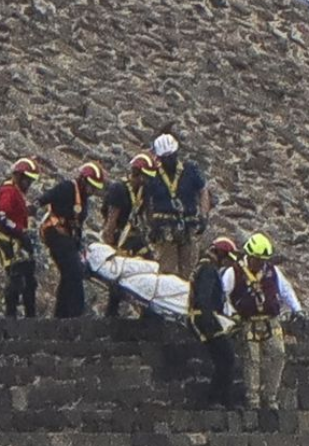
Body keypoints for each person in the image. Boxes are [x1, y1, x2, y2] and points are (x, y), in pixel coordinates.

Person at [222, 232, 303, 411]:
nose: (260, 263)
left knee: (278, 354)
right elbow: (224, 294)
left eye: (263, 260)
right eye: (257, 259)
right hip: (247, 321)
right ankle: (253, 399)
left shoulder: (272, 272)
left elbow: (285, 290)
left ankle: (271, 396)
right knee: (252, 360)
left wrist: (297, 309)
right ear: (249, 256)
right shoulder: (233, 272)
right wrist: (231, 315)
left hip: (270, 321)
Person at [37, 161, 105, 318]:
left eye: (95, 188)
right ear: (83, 180)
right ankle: (76, 314)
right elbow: (48, 196)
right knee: (75, 271)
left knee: (68, 274)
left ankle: (61, 316)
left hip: (69, 238)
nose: (92, 191)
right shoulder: (68, 187)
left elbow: (78, 224)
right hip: (56, 233)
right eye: (91, 186)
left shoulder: (84, 197)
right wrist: (35, 205)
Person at [100, 152, 158, 317]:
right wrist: (110, 246)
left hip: (133, 235)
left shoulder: (142, 190)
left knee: (150, 265)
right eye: (144, 176)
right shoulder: (119, 189)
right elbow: (111, 221)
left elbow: (147, 213)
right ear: (136, 173)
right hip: (119, 237)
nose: (146, 180)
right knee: (119, 272)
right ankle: (112, 311)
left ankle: (148, 310)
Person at [145, 133, 210, 277]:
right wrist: (152, 225)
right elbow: (147, 201)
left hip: (188, 225)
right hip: (165, 227)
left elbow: (203, 190)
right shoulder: (153, 174)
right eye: (165, 158)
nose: (169, 161)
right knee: (167, 271)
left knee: (188, 270)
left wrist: (204, 216)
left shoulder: (190, 169)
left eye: (171, 156)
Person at [189, 237, 240, 408]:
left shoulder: (203, 266)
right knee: (226, 358)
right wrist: (212, 320)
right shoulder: (209, 270)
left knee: (224, 359)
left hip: (205, 317)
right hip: (206, 319)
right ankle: (216, 398)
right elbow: (204, 299)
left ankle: (223, 399)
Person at [0, 157, 40, 318]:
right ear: (19, 176)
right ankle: (11, 317)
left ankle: (30, 317)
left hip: (20, 243)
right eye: (27, 180)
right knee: (16, 281)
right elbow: (2, 218)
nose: (29, 184)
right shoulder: (8, 191)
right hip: (10, 244)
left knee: (29, 281)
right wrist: (20, 232)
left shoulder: (16, 192)